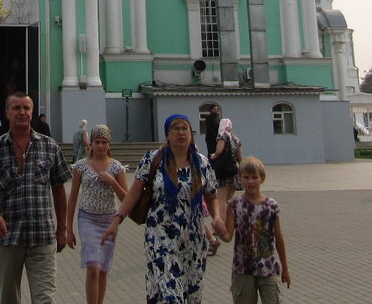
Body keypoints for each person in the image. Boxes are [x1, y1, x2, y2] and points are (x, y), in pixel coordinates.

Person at [101, 114, 226, 304]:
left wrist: (217, 217)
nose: (181, 133)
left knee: (192, 295)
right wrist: (117, 220)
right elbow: (134, 194)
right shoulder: (153, 159)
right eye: (176, 129)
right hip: (161, 236)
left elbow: (211, 196)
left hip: (193, 240)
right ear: (167, 134)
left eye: (185, 129)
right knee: (171, 295)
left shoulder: (202, 163)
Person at [0, 91, 71, 304]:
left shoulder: (49, 146)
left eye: (26, 108)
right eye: (16, 108)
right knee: (7, 298)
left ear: (33, 112)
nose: (22, 112)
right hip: (7, 238)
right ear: (7, 113)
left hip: (42, 235)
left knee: (45, 299)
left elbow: (59, 189)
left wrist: (62, 229)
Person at [64, 124, 128, 304]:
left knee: (102, 269)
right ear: (90, 144)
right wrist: (68, 229)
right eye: (97, 142)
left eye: (104, 142)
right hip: (88, 218)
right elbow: (73, 198)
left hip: (109, 220)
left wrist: (113, 182)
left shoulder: (117, 168)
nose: (100, 146)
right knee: (93, 265)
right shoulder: (81, 166)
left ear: (109, 144)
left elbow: (127, 199)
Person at [219, 156, 291, 303]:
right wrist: (220, 230)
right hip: (243, 269)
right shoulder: (234, 205)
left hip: (268, 267)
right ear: (240, 179)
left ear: (262, 179)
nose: (250, 181)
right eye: (246, 177)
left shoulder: (271, 206)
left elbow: (279, 238)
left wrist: (285, 268)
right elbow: (228, 237)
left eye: (254, 177)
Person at [209, 116, 243, 255]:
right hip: (234, 171)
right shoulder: (236, 138)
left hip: (224, 172)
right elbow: (240, 158)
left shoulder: (222, 136)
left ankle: (221, 225)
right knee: (229, 199)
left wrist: (212, 156)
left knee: (221, 199)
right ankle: (232, 222)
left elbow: (219, 151)